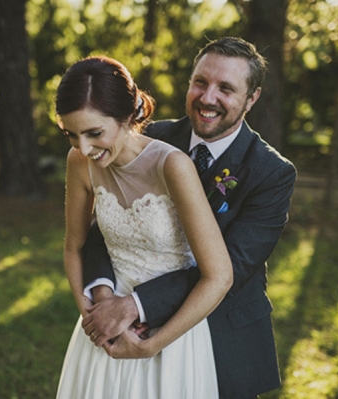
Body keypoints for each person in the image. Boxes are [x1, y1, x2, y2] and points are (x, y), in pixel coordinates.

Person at [81, 37, 297, 398]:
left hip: (220, 336)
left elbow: (231, 266)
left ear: (252, 98)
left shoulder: (271, 173)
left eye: (226, 88)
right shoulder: (148, 138)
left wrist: (134, 306)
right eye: (201, 82)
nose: (207, 98)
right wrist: (105, 300)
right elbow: (108, 221)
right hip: (120, 331)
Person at [55, 55, 234, 398]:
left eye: (95, 133)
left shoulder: (172, 167)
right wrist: (94, 318)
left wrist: (150, 345)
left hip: (170, 333)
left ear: (126, 117)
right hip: (103, 321)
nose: (84, 148)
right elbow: (74, 246)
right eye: (71, 135)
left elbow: (219, 276)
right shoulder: (79, 162)